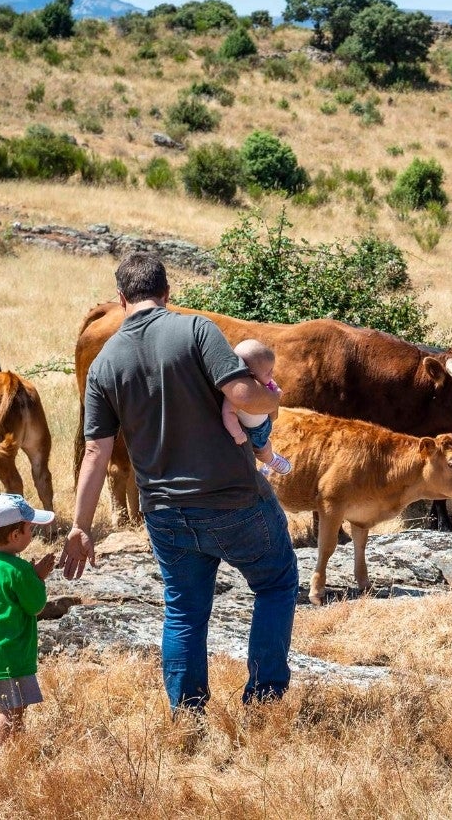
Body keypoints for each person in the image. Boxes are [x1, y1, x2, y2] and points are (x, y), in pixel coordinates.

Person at [60, 252, 298, 712]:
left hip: (164, 512)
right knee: (276, 583)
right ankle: (264, 702)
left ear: (121, 298)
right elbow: (243, 394)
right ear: (168, 293)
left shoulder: (106, 362)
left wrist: (80, 526)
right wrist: (273, 395)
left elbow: (96, 451)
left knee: (184, 612)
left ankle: (188, 715)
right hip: (233, 500)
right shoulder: (196, 330)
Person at [0, 492, 56, 748]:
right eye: (30, 528)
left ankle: (13, 753)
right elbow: (36, 606)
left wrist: (29, 573)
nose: (32, 533)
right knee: (11, 711)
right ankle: (1, 762)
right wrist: (37, 577)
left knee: (14, 708)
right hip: (9, 650)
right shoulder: (18, 571)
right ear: (15, 536)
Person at [223, 339, 292, 476]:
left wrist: (276, 390)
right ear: (251, 375)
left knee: (268, 434)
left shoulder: (262, 380)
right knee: (262, 448)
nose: (272, 375)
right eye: (268, 372)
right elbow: (228, 413)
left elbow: (271, 383)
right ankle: (271, 460)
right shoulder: (237, 393)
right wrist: (237, 433)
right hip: (255, 431)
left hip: (265, 421)